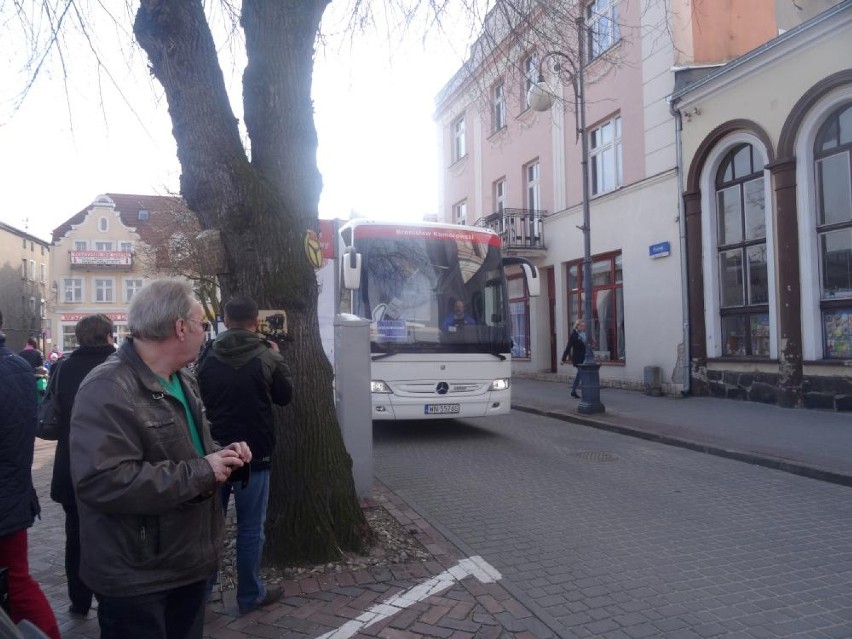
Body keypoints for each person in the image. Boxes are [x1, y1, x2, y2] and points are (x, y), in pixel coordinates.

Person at [69, 279, 252, 639]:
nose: (205, 332)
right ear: (180, 328)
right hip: (139, 577)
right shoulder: (106, 388)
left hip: (186, 563)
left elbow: (188, 451)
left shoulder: (182, 377)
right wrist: (203, 470)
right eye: (202, 324)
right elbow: (101, 481)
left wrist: (222, 456)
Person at [197, 296, 293, 615]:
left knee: (212, 526)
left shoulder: (207, 354)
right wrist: (278, 360)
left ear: (225, 319)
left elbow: (197, 395)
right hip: (255, 454)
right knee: (251, 527)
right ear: (256, 321)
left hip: (216, 454)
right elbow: (284, 397)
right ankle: (250, 594)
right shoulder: (267, 354)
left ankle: (204, 590)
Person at [50, 314, 116, 617]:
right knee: (112, 537)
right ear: (108, 335)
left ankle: (78, 598)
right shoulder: (120, 366)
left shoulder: (63, 367)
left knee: (75, 534)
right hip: (111, 466)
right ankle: (109, 599)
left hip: (71, 465)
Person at [0, 310, 61, 639]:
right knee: (17, 581)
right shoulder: (18, 367)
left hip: (8, 493)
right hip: (14, 491)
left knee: (16, 585)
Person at [561, 319, 587, 399]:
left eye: (584, 326)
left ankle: (573, 391)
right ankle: (586, 394)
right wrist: (563, 359)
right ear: (577, 326)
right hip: (578, 358)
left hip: (585, 358)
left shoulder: (585, 334)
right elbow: (568, 347)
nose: (583, 327)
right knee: (582, 375)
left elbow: (587, 345)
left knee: (579, 375)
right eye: (582, 326)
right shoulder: (574, 335)